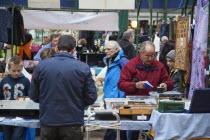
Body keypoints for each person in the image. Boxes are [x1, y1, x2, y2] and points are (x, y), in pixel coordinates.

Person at [29, 35, 97, 140]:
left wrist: (46, 101)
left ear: (56, 48)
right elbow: (91, 96)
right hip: (73, 120)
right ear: (73, 50)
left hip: (48, 120)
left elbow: (33, 94)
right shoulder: (83, 67)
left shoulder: (41, 67)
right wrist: (77, 104)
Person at [103, 41, 129, 140]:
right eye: (105, 49)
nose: (106, 51)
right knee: (116, 127)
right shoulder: (110, 60)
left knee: (114, 127)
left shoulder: (122, 61)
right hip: (110, 98)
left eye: (109, 49)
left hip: (118, 99)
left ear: (117, 50)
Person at [0, 56, 30, 140]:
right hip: (5, 114)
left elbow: (30, 97)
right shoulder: (4, 81)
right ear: (8, 69)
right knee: (7, 136)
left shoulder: (26, 81)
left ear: (22, 69)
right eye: (13, 70)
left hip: (21, 114)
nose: (16, 73)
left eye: (19, 70)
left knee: (17, 136)